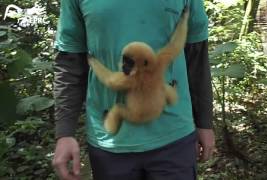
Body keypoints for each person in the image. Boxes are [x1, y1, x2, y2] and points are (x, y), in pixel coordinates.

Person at [52, 0, 216, 179]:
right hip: (110, 147)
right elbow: (70, 61)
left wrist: (204, 122)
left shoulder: (152, 65)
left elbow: (195, 54)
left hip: (174, 138)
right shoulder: (138, 72)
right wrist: (65, 133)